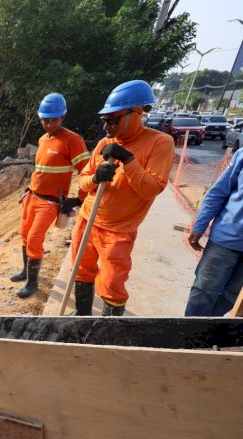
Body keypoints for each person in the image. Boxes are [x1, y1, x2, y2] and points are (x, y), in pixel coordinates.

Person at [70, 80, 174, 316]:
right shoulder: (104, 143)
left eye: (112, 119)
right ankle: (82, 316)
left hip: (118, 230)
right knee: (81, 269)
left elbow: (151, 189)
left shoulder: (159, 143)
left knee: (111, 283)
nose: (106, 125)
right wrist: (96, 178)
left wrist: (128, 160)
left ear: (136, 114)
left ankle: (108, 329)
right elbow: (83, 181)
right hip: (88, 219)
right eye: (104, 120)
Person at [11, 93, 90, 298]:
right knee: (25, 235)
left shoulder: (73, 140)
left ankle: (32, 283)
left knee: (35, 239)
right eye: (45, 119)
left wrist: (79, 198)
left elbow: (86, 171)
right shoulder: (43, 140)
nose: (48, 123)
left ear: (62, 117)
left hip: (50, 201)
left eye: (52, 119)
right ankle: (24, 271)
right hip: (33, 196)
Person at [184, 148, 243, 316]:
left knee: (232, 297)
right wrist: (200, 224)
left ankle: (209, 334)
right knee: (203, 292)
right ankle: (189, 337)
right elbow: (218, 191)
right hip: (226, 239)